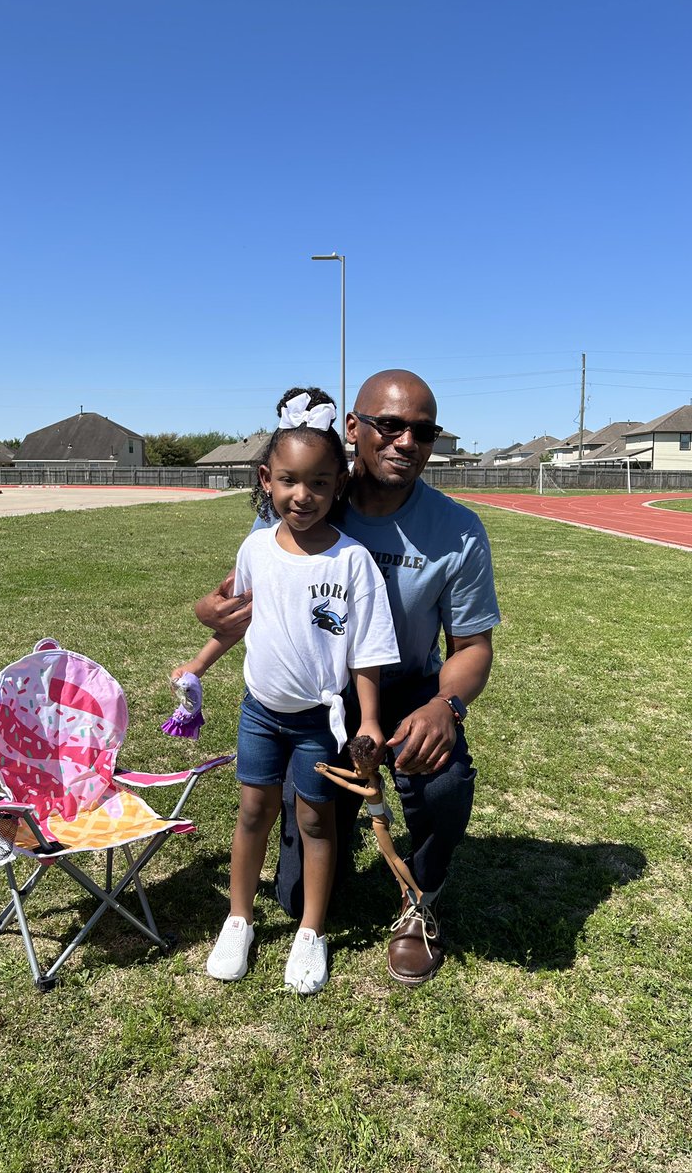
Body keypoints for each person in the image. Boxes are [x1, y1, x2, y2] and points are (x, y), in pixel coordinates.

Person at [196, 369, 500, 985]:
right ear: (354, 428)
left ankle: (420, 901)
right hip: (318, 697)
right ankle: (319, 851)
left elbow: (473, 647)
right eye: (390, 426)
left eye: (423, 431)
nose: (405, 442)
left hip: (410, 688)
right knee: (295, 892)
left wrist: (447, 704)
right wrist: (210, 613)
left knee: (443, 782)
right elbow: (249, 591)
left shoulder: (458, 530)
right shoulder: (309, 493)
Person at [175, 387, 398, 994]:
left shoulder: (353, 562)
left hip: (317, 723)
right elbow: (234, 622)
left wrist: (369, 722)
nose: (304, 496)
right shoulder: (254, 549)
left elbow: (368, 654)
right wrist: (196, 666)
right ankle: (239, 919)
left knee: (316, 822)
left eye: (321, 483)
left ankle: (311, 932)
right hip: (259, 712)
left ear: (340, 484)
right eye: (290, 481)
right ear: (266, 480)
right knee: (252, 812)